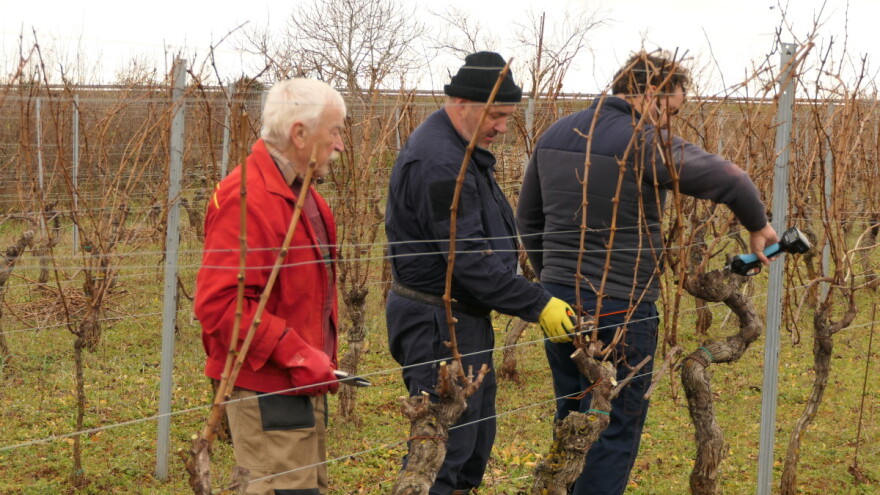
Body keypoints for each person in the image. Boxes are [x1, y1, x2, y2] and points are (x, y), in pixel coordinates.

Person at [516, 50, 778, 495]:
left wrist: (555, 282)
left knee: (574, 418)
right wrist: (759, 225)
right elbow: (731, 178)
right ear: (653, 93)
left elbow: (527, 221)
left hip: (557, 304)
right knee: (615, 426)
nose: (667, 121)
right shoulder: (639, 139)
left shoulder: (556, 132)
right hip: (621, 306)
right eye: (670, 110)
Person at [384, 51, 576, 495]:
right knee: (442, 457)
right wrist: (538, 302)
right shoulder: (441, 163)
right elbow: (468, 259)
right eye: (498, 115)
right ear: (464, 102)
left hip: (460, 320)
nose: (503, 127)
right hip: (439, 324)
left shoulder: (462, 149)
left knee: (471, 449)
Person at [194, 78, 346, 495]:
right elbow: (219, 305)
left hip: (304, 379)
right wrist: (296, 354)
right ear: (299, 133)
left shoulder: (304, 194)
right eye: (334, 132)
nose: (340, 145)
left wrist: (313, 359)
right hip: (269, 387)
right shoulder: (247, 199)